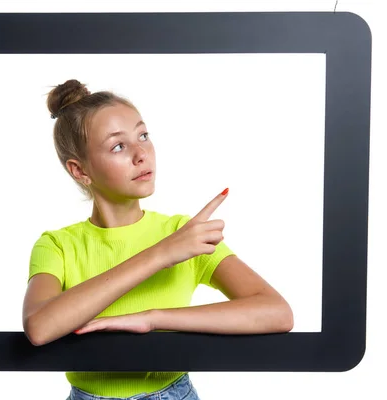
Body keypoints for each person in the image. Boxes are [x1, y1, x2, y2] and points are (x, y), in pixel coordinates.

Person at [22, 79, 294, 400]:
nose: (141, 154)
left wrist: (153, 319)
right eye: (118, 146)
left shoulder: (183, 233)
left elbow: (277, 312)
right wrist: (161, 255)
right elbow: (40, 328)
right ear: (80, 171)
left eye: (143, 136)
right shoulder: (57, 245)